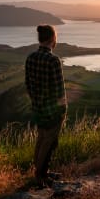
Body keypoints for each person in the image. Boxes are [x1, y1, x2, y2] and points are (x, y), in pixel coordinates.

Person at [25, 24, 67, 188]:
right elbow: (59, 89)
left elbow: (28, 85)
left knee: (41, 140)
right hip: (52, 111)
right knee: (49, 142)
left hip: (38, 108)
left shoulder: (31, 58)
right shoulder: (53, 60)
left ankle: (42, 172)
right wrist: (63, 110)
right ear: (52, 39)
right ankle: (40, 176)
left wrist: (36, 102)